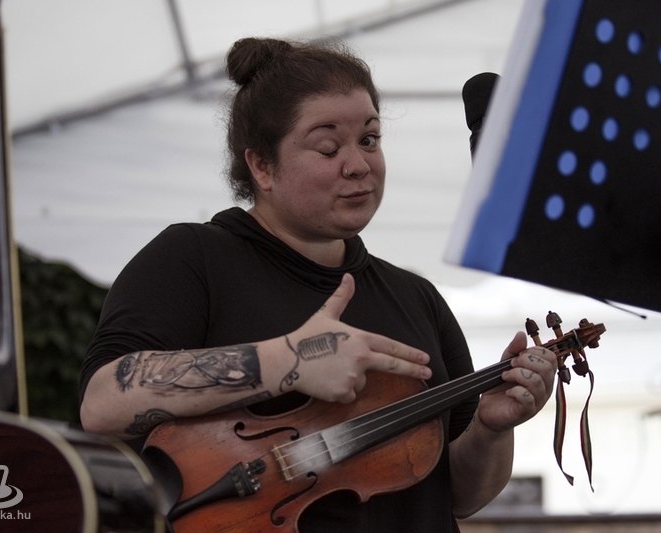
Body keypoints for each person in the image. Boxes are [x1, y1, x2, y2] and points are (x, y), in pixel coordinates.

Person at [79, 37, 557, 532]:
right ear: (262, 166)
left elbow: (460, 497)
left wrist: (490, 429)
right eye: (328, 147)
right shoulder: (194, 257)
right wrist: (289, 361)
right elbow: (103, 403)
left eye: (369, 139)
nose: (359, 165)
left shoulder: (417, 298)